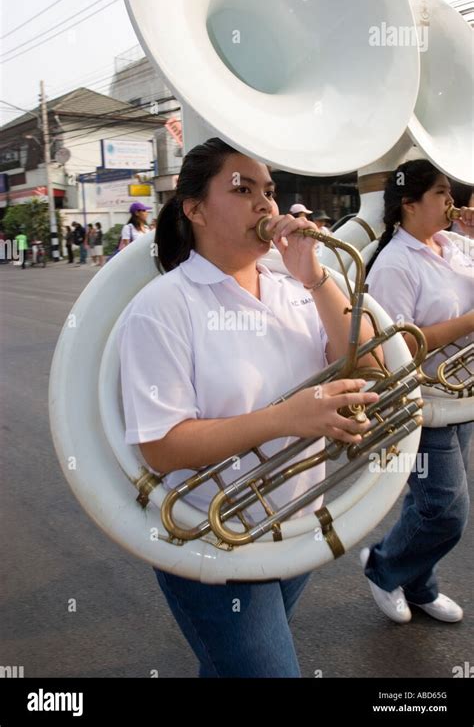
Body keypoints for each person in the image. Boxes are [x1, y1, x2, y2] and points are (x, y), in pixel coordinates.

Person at [117, 138, 381, 678]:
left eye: (270, 191)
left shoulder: (294, 287)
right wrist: (286, 417)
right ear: (193, 210)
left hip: (294, 522)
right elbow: (161, 447)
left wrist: (316, 276)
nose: (266, 204)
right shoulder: (162, 306)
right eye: (243, 190)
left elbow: (372, 364)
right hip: (208, 538)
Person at [361, 159, 474, 625]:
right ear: (408, 204)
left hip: (462, 395)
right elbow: (397, 346)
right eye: (442, 193)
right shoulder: (394, 264)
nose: (452, 202)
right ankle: (383, 567)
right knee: (447, 511)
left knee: (427, 503)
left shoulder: (457, 246)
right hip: (421, 404)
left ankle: (421, 585)